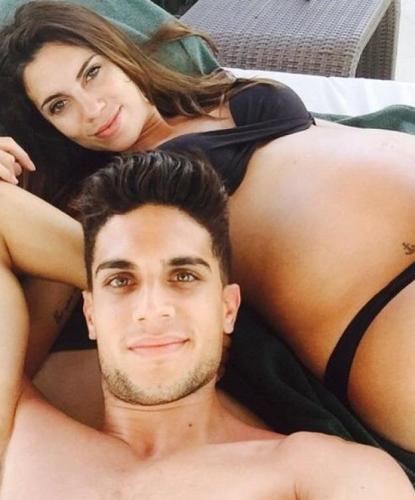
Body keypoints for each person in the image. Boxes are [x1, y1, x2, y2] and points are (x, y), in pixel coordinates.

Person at [1, 0, 415, 457]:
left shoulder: (210, 92)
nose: (92, 108)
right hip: (385, 306)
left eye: (92, 73)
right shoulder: (104, 199)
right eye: (59, 105)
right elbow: (25, 345)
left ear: (118, 53)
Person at [1, 150, 413, 498]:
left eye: (183, 276)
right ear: (91, 314)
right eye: (121, 281)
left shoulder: (318, 473)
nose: (152, 308)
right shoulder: (18, 435)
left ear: (228, 309)